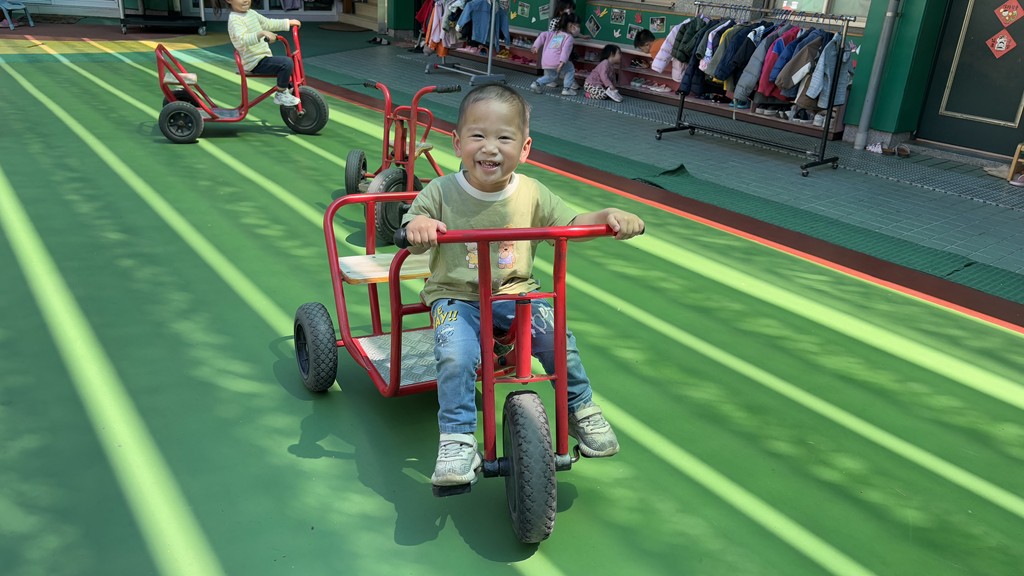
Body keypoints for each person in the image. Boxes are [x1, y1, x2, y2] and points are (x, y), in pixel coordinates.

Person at [400, 84, 646, 487]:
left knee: (556, 337)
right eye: (478, 136)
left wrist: (608, 214)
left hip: (516, 292)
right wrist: (419, 225)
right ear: (457, 142)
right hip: (455, 295)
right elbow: (412, 228)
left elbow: (571, 222)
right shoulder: (440, 191)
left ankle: (580, 408)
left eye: (504, 138)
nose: (490, 148)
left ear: (525, 148)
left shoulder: (531, 192)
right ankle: (458, 438)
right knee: (455, 354)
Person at [213, 0, 302, 107]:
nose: (245, 0)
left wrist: (288, 22)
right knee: (286, 63)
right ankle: (281, 93)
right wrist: (261, 33)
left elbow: (268, 23)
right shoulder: (235, 20)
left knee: (292, 62)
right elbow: (242, 40)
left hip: (262, 58)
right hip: (253, 62)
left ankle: (288, 89)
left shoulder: (251, 13)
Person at [529, 13, 581, 96]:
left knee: (551, 76)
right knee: (570, 69)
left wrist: (536, 46)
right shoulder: (569, 37)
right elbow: (565, 51)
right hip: (557, 61)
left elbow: (542, 34)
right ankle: (567, 89)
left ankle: (536, 84)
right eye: (577, 26)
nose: (578, 28)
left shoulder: (553, 33)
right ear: (571, 25)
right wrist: (562, 62)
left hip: (546, 60)